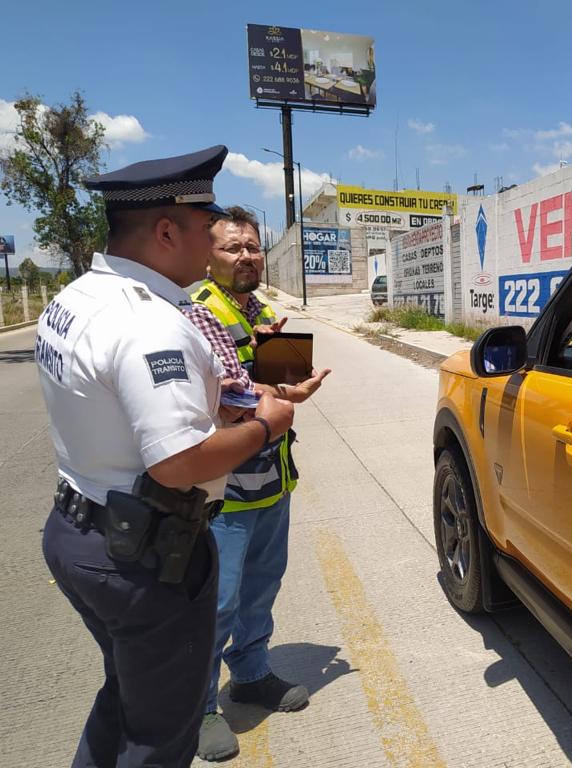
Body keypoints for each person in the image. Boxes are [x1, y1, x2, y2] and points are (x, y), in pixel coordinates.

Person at [37, 146, 295, 767]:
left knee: (127, 700)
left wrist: (233, 401)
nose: (213, 248)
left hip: (84, 525)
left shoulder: (79, 297)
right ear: (165, 230)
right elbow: (178, 464)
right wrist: (267, 422)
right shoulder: (149, 322)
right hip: (143, 556)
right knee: (159, 738)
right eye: (208, 231)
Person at [184, 206, 331, 761]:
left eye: (252, 246)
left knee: (261, 588)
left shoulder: (260, 309)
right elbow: (231, 395)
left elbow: (269, 383)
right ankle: (197, 709)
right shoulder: (201, 312)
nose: (246, 256)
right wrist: (283, 393)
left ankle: (250, 673)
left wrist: (287, 380)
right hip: (225, 491)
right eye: (232, 247)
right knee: (215, 602)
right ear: (207, 255)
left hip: (271, 478)